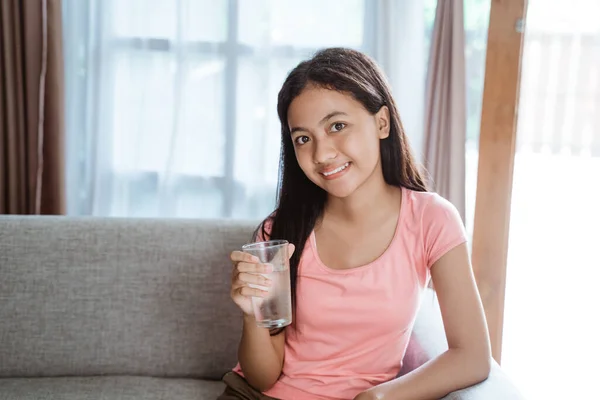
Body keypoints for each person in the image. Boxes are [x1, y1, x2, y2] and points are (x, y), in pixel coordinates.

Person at [219, 47, 491, 400]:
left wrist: (379, 396)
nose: (322, 154)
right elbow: (262, 378)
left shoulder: (431, 220)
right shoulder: (279, 232)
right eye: (303, 138)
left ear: (382, 122)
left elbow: (472, 357)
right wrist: (251, 315)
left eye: (337, 126)